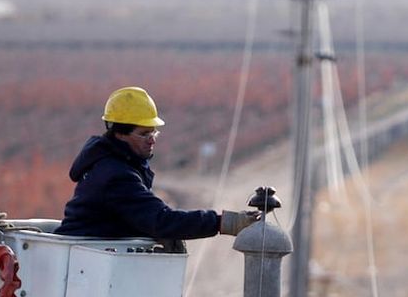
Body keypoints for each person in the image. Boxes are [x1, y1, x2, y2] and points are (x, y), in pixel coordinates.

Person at [55, 86, 257, 241]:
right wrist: (223, 222)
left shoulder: (116, 164)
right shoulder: (116, 175)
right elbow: (161, 220)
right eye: (144, 134)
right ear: (120, 134)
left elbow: (130, 219)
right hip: (85, 267)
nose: (152, 139)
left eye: (153, 132)